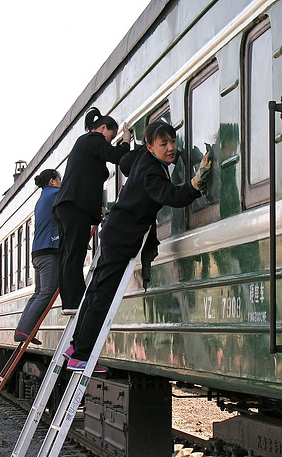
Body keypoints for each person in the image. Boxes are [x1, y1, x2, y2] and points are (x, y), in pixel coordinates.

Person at [65, 120, 212, 370]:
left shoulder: (143, 157)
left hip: (114, 232)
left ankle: (74, 346)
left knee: (95, 293)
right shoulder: (151, 171)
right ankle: (81, 355)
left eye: (173, 142)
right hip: (123, 237)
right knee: (103, 297)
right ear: (150, 146)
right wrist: (195, 184)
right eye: (163, 144)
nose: (171, 148)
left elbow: (123, 162)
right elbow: (171, 196)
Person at [53, 107, 131, 315]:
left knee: (69, 254)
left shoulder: (84, 144)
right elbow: (117, 156)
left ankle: (70, 300)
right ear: (103, 128)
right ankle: (73, 301)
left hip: (67, 205)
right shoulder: (92, 139)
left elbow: (99, 167)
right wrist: (126, 139)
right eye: (110, 136)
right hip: (75, 205)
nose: (109, 141)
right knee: (74, 254)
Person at [14, 169, 62, 345]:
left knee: (39, 293)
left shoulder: (42, 198)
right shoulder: (55, 194)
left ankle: (22, 329)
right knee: (48, 292)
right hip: (49, 249)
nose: (61, 183)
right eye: (59, 179)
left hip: (38, 252)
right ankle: (24, 329)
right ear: (52, 181)